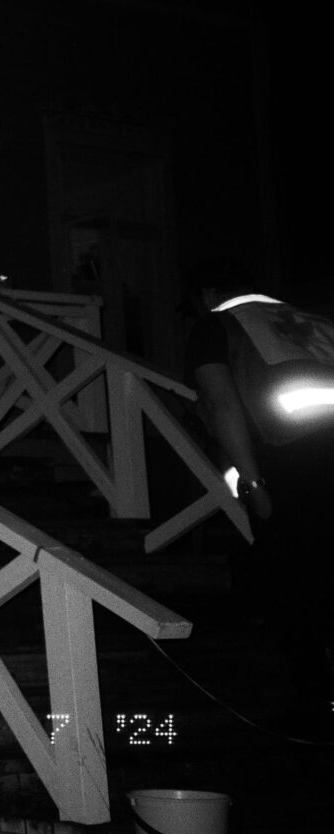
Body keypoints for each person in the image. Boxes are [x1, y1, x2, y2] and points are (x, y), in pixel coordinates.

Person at [185, 256, 334, 731]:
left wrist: (251, 483)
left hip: (290, 465)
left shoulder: (217, 326)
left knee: (294, 586)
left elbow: (221, 403)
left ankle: (313, 707)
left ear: (209, 294)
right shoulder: (312, 321)